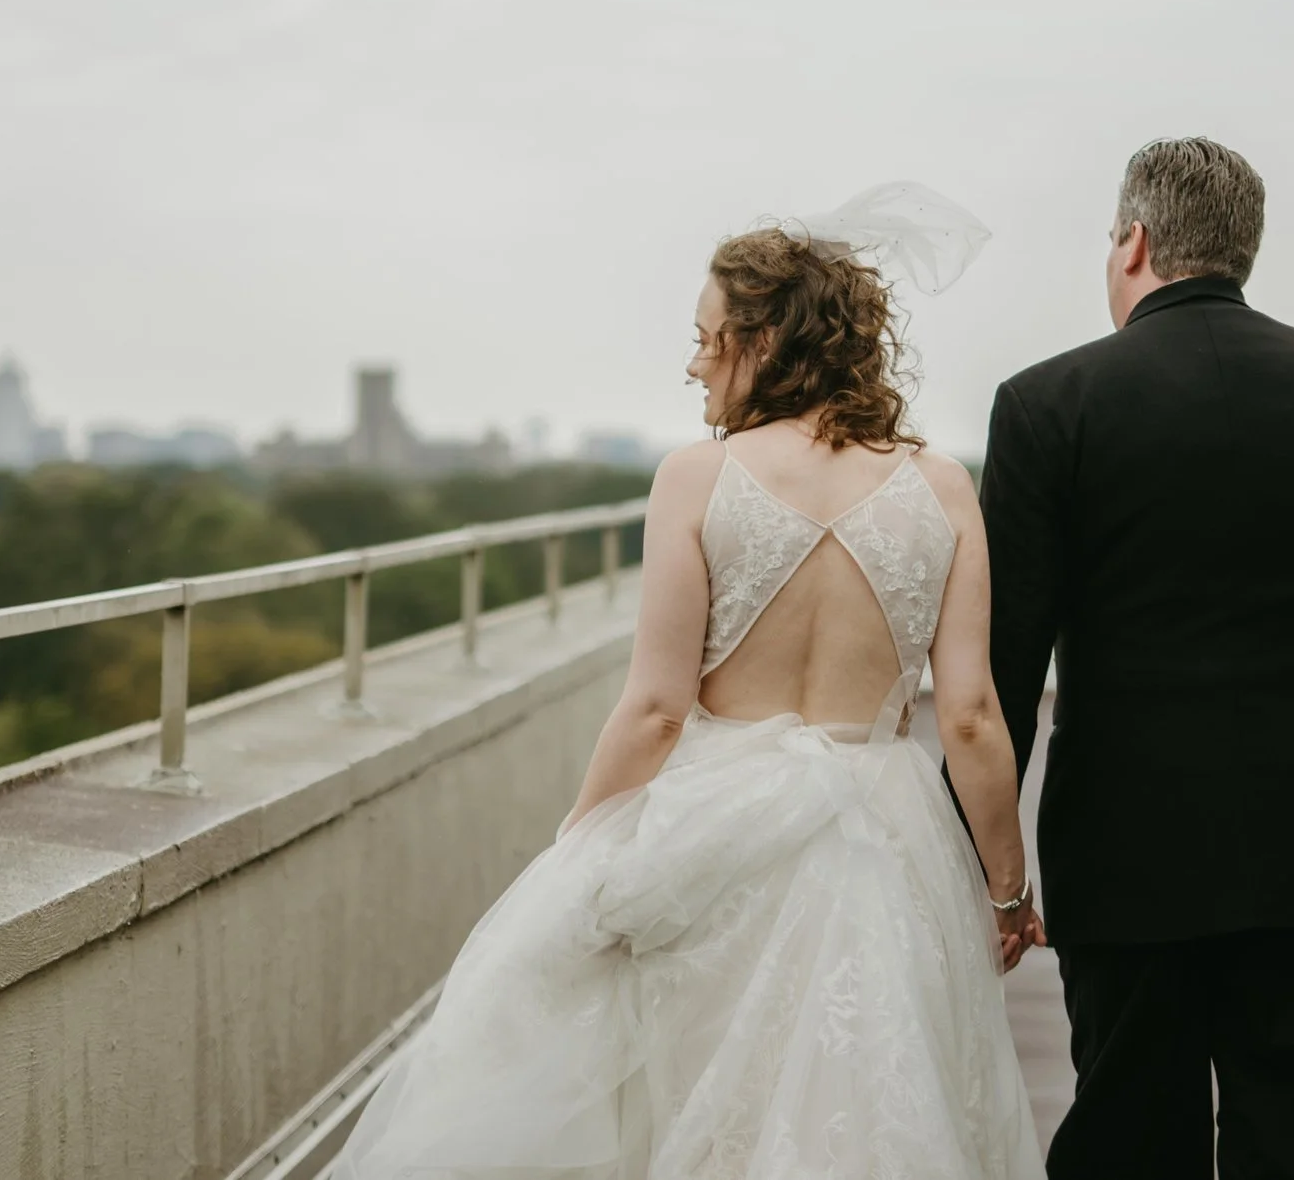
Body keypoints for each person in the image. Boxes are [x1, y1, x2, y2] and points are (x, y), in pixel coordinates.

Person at [330, 183, 1045, 1180]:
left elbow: (658, 708)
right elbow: (968, 715)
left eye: (707, 336)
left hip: (714, 837)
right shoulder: (938, 486)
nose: (693, 359)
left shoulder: (694, 480)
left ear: (761, 342)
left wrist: (576, 851)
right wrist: (1006, 889)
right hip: (887, 838)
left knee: (697, 1111)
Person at [981, 138, 1294, 1180]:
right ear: (1242, 249)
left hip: (1123, 844)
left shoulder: (1043, 404)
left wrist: (982, 863)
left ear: (1135, 242)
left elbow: (1004, 665)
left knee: (1125, 1129)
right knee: (1290, 1131)